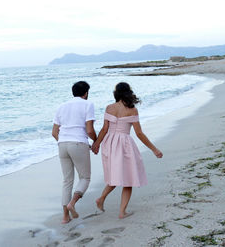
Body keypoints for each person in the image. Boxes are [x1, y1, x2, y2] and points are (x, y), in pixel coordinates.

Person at [92, 82, 163, 219]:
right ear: (129, 93)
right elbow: (139, 133)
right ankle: (122, 212)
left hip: (110, 143)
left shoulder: (109, 107)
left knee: (114, 175)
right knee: (128, 179)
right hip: (124, 144)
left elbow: (104, 129)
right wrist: (154, 149)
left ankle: (101, 198)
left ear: (116, 93)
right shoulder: (132, 109)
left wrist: (96, 144)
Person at [52, 81, 97, 224]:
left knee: (67, 181)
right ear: (86, 93)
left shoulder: (61, 106)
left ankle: (65, 217)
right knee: (85, 178)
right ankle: (72, 203)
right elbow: (89, 130)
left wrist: (65, 140)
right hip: (78, 143)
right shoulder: (87, 104)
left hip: (62, 144)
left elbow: (54, 132)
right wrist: (95, 142)